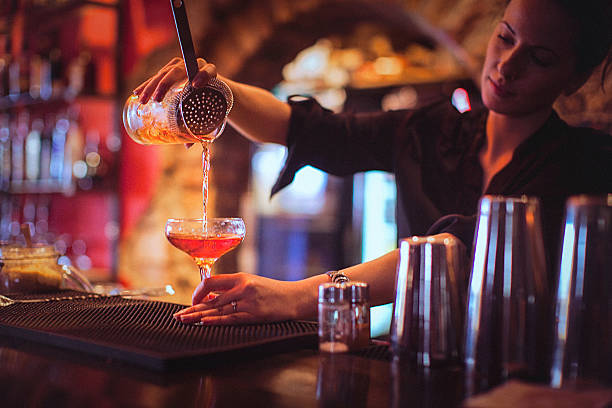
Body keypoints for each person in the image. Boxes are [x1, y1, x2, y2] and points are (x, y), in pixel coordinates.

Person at [133, 0, 612, 325]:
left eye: (540, 58)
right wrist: (220, 89)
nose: (508, 66)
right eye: (505, 38)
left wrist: (295, 296)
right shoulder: (434, 130)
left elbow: (459, 251)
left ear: (575, 79)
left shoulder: (586, 165)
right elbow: (304, 129)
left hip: (520, 383)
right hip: (413, 359)